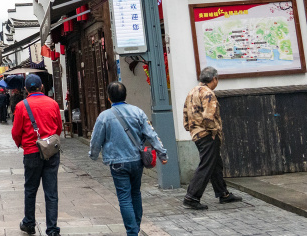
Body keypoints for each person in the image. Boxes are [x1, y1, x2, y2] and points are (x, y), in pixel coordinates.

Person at [89, 82, 168, 236]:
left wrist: (93, 155)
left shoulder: (104, 116)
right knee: (136, 193)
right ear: (125, 95)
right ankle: (135, 228)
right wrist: (162, 153)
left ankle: (132, 232)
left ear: (108, 98)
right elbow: (151, 134)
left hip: (117, 162)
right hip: (136, 160)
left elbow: (96, 139)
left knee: (124, 197)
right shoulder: (137, 112)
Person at [182, 66, 241, 210]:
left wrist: (190, 128)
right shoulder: (208, 93)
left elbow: (185, 113)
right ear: (214, 79)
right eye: (217, 79)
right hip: (207, 135)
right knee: (206, 165)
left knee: (215, 164)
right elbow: (209, 117)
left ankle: (223, 193)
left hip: (196, 133)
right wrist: (214, 131)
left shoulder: (192, 91)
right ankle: (191, 197)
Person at [11, 75, 62, 236]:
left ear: (26, 89)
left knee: (30, 189)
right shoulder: (53, 103)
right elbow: (58, 128)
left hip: (32, 151)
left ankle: (29, 223)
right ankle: (52, 229)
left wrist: (22, 144)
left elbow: (16, 132)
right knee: (51, 191)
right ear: (41, 87)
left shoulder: (21, 106)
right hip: (51, 152)